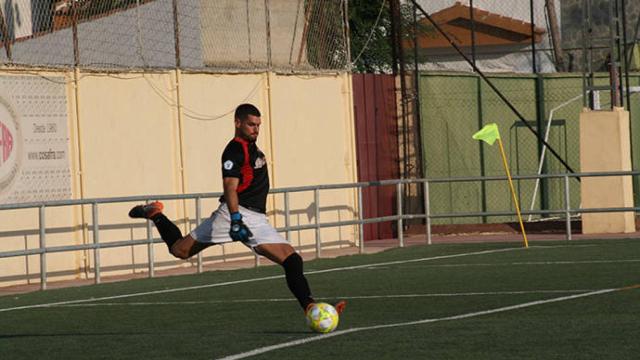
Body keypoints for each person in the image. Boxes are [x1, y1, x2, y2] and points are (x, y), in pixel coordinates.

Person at [128, 103, 345, 317]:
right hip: (235, 212)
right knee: (180, 251)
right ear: (238, 123)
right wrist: (235, 218)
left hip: (257, 218)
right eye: (251, 124)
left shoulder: (253, 148)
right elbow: (230, 187)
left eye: (258, 125)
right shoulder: (233, 150)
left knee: (293, 260)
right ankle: (155, 213)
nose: (256, 129)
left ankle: (311, 308)